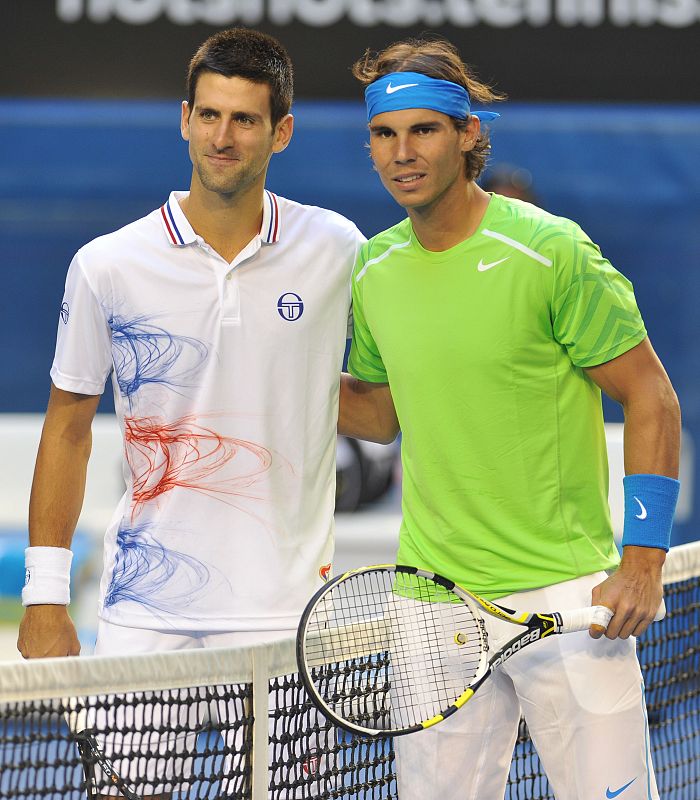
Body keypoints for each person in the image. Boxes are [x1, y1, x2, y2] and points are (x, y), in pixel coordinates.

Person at [17, 27, 363, 794]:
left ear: (283, 131)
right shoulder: (108, 264)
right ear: (184, 119)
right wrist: (45, 595)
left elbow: (376, 407)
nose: (222, 136)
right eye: (208, 116)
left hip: (288, 612)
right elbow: (68, 430)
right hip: (147, 610)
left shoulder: (338, 248)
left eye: (244, 120)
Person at [339, 37, 680, 800]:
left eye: (423, 130)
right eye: (385, 135)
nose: (403, 153)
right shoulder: (374, 268)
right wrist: (281, 377)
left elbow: (651, 394)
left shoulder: (551, 251)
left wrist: (644, 559)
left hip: (566, 598)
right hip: (432, 607)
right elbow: (380, 414)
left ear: (467, 136)